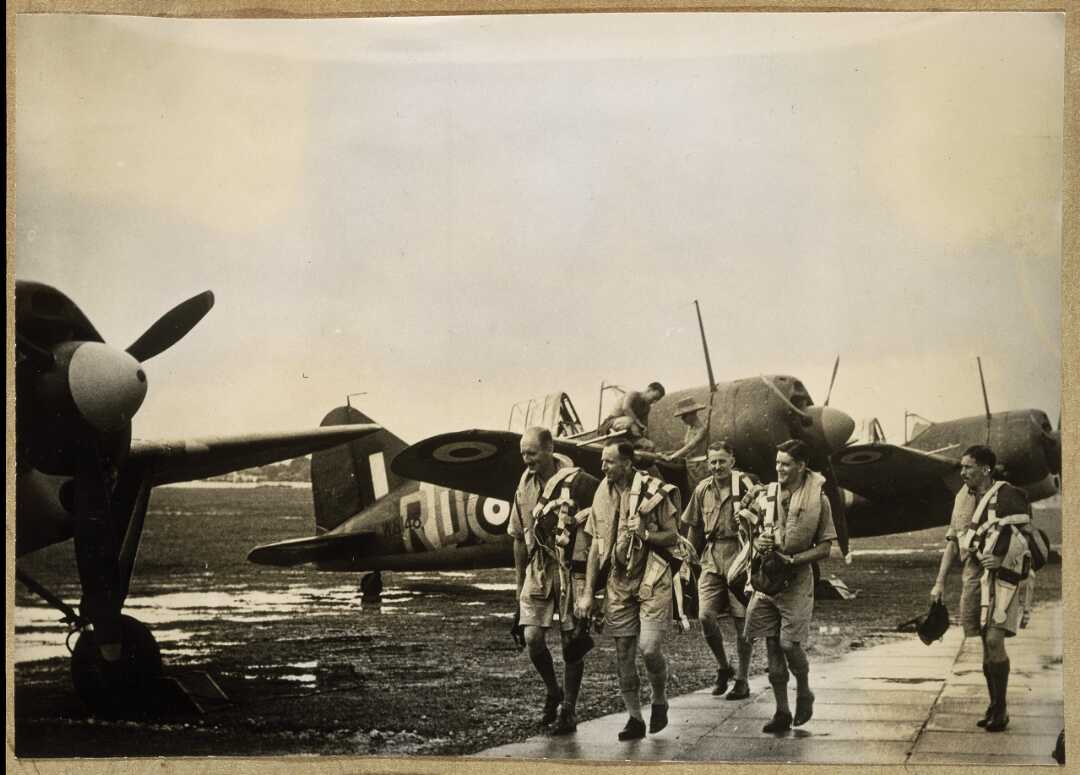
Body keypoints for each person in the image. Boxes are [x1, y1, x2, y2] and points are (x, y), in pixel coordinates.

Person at [577, 441, 681, 741]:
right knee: (623, 652)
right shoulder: (601, 493)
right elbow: (596, 543)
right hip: (618, 582)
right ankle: (634, 718)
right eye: (602, 461)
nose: (603, 467)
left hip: (651, 576)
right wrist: (587, 592)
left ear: (626, 463)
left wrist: (646, 534)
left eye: (609, 462)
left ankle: (659, 698)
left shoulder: (653, 490)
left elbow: (673, 535)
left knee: (649, 648)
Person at [930, 445, 1032, 733]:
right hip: (974, 578)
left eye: (967, 467)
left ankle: (1000, 709)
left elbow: (1027, 540)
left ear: (985, 468)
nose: (962, 472)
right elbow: (953, 541)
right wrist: (939, 582)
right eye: (961, 467)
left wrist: (1001, 558)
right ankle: (994, 704)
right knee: (983, 642)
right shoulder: (962, 498)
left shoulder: (1008, 494)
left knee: (994, 641)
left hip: (1004, 579)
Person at [509, 427, 600, 734]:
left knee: (571, 642)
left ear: (549, 449)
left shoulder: (580, 481)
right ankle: (553, 690)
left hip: (569, 568)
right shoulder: (523, 485)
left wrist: (590, 583)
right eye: (523, 453)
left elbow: (599, 527)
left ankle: (569, 712)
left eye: (532, 453)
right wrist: (518, 584)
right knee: (533, 638)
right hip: (538, 567)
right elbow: (519, 538)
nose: (526, 459)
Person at [742, 439, 837, 733]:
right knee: (771, 646)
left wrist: (792, 560)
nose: (779, 469)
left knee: (788, 643)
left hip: (796, 580)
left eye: (785, 464)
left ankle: (805, 691)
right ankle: (782, 711)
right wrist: (758, 541)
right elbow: (748, 530)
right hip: (767, 580)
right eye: (777, 463)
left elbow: (824, 548)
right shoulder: (765, 496)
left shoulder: (818, 500)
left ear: (801, 466)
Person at [679, 441, 758, 700]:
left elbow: (766, 514)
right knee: (705, 616)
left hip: (740, 554)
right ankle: (724, 667)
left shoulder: (746, 484)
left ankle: (743, 680)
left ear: (732, 461)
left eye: (722, 461)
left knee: (742, 621)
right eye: (712, 461)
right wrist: (689, 558)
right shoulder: (702, 489)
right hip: (712, 556)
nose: (717, 466)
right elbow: (694, 526)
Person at [662, 396, 710, 487]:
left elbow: (690, 447)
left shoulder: (702, 430)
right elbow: (686, 445)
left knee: (700, 490)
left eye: (684, 416)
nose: (682, 419)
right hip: (690, 465)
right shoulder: (690, 427)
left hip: (699, 467)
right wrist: (668, 453)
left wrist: (672, 457)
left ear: (693, 413)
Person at [599, 382, 666, 446]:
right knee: (629, 421)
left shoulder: (647, 408)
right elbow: (626, 408)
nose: (654, 401)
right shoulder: (633, 394)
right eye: (654, 398)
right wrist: (638, 424)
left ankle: (629, 449)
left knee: (649, 445)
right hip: (612, 423)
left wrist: (645, 434)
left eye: (657, 400)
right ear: (649, 390)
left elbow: (644, 426)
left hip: (629, 433)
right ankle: (614, 439)